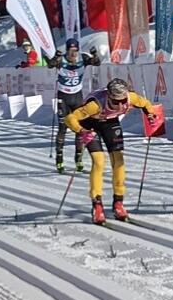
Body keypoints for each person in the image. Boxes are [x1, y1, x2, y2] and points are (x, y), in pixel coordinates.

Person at [63, 78, 157, 224]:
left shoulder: (131, 97)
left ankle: (118, 202)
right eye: (115, 102)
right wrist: (81, 131)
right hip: (89, 125)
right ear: (109, 97)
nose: (120, 105)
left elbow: (146, 104)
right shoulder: (95, 105)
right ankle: (97, 205)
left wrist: (150, 115)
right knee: (99, 162)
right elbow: (70, 118)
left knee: (119, 161)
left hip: (110, 123)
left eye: (122, 101)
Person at [47, 38, 102, 173]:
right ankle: (59, 159)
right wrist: (55, 57)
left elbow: (97, 63)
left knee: (80, 128)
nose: (73, 54)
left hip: (77, 97)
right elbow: (50, 65)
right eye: (71, 51)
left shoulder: (83, 58)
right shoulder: (61, 59)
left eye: (76, 51)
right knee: (63, 128)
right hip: (64, 97)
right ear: (67, 50)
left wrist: (95, 54)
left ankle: (78, 158)